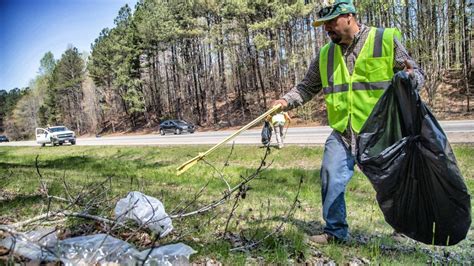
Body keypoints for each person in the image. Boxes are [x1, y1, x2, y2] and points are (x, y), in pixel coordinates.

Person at [272, 0, 425, 244]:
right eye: (324, 24)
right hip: (343, 130)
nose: (327, 29)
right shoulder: (326, 54)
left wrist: (411, 78)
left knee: (394, 182)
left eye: (331, 22)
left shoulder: (383, 40)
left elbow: (415, 73)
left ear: (350, 17)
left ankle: (404, 230)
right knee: (330, 174)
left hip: (380, 131)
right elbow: (306, 87)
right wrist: (284, 101)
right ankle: (335, 233)